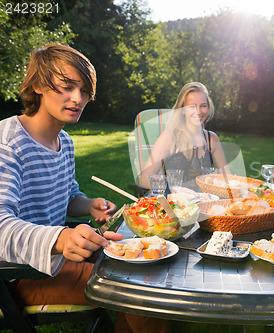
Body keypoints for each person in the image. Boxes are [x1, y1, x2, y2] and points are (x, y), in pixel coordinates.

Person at [0, 44, 169, 332]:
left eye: (85, 91)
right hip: (22, 273)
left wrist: (87, 204)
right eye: (66, 87)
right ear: (39, 85)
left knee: (142, 265)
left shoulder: (64, 141)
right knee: (145, 293)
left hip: (57, 258)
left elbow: (67, 197)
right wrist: (61, 238)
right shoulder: (7, 144)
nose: (77, 98)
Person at [139, 82, 229, 191]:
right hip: (176, 204)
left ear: (208, 108)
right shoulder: (170, 137)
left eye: (203, 106)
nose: (198, 111)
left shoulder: (211, 139)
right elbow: (144, 179)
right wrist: (174, 189)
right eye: (192, 106)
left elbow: (226, 178)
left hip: (206, 203)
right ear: (182, 110)